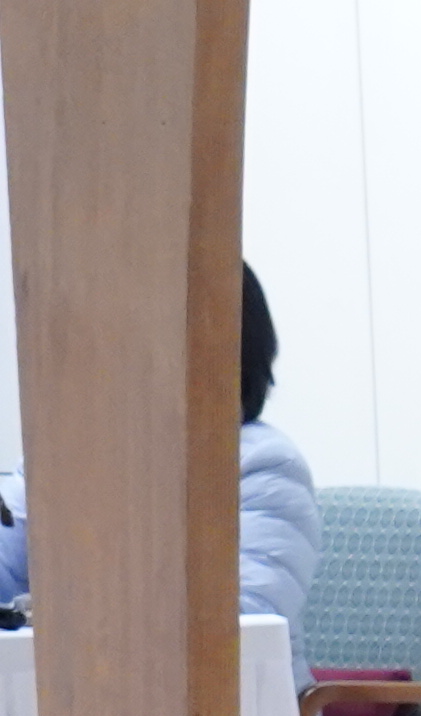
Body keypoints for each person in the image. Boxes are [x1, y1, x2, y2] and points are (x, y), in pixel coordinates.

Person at [0, 267, 321, 643]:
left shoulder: (265, 466)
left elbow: (238, 620)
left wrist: (41, 612)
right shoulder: (63, 458)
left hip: (229, 697)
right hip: (73, 691)